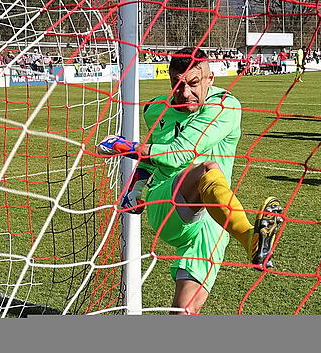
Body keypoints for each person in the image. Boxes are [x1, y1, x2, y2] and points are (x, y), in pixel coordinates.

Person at [97, 47, 284, 315]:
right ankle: (249, 237)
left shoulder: (226, 107)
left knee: (184, 312)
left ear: (210, 78)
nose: (184, 93)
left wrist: (125, 146)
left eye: (193, 84)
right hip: (168, 203)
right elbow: (156, 159)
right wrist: (136, 187)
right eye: (177, 84)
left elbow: (181, 152)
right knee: (206, 169)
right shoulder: (155, 110)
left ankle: (253, 242)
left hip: (215, 224)